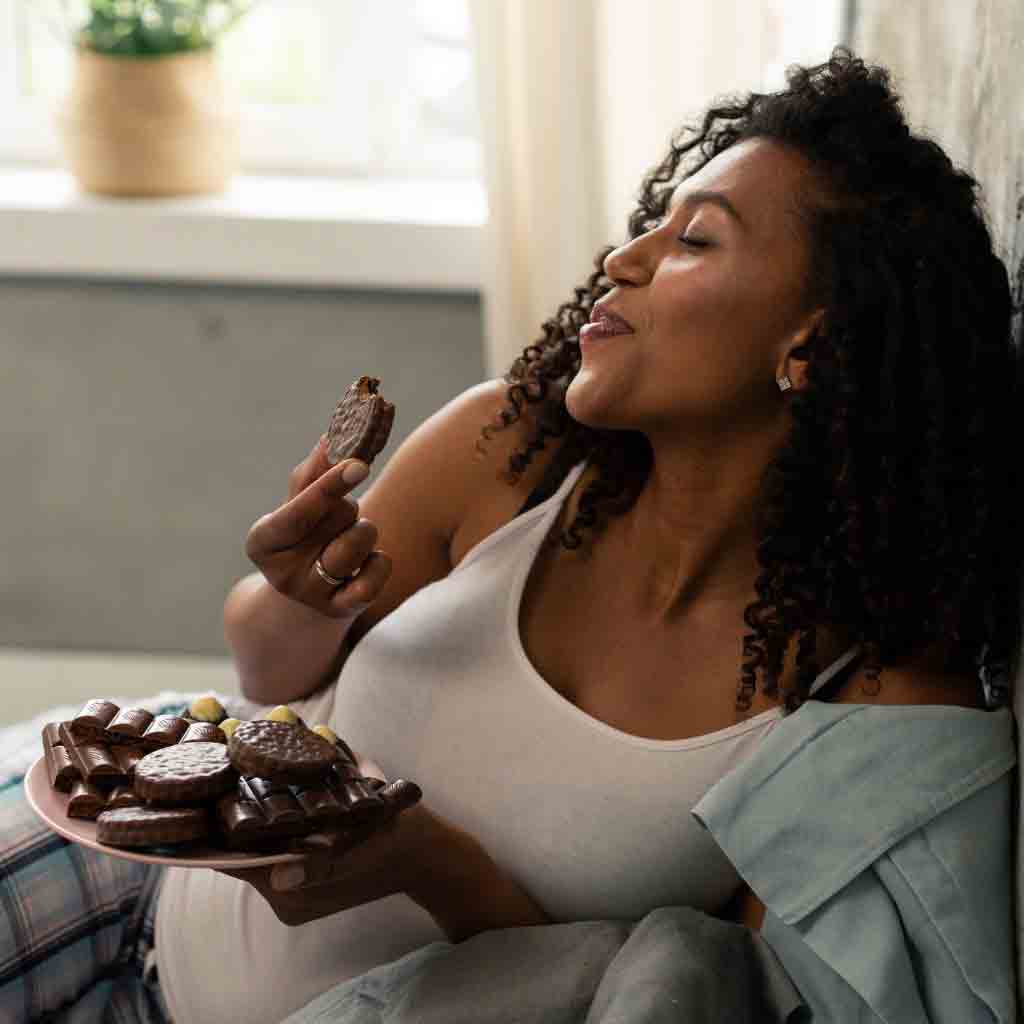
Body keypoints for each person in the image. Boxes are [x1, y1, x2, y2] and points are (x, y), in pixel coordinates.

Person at [0, 47, 1018, 1023]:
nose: (622, 257)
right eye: (647, 228)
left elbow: (676, 995)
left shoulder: (857, 702)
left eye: (693, 240)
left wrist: (430, 863)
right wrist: (297, 594)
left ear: (817, 336)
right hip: (115, 887)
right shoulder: (515, 451)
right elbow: (265, 675)